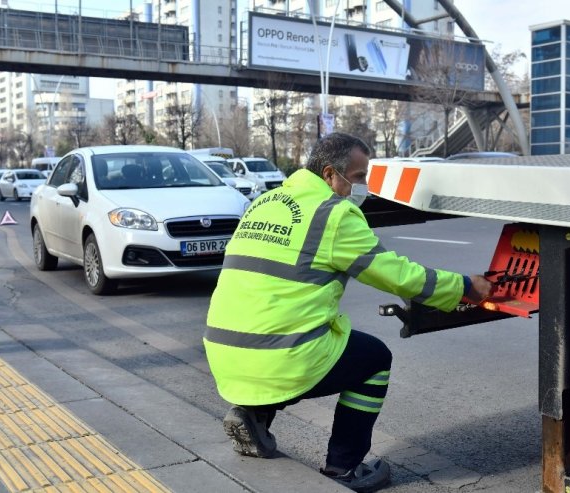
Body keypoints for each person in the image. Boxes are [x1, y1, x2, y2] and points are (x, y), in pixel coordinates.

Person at [203, 133, 493, 493]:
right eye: (358, 178)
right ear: (329, 174)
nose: (363, 187)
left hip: (223, 352)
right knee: (373, 360)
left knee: (281, 330)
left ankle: (252, 414)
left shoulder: (266, 202)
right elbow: (399, 276)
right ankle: (343, 467)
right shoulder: (333, 213)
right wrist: (465, 286)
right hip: (277, 358)